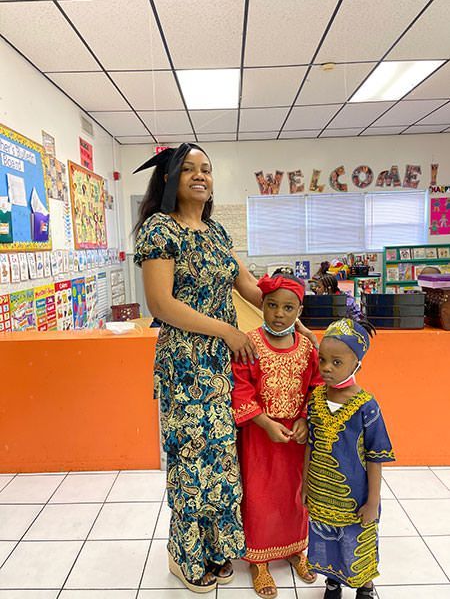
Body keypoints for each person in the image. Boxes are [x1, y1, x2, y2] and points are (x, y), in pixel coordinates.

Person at [133, 144, 317, 593]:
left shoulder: (215, 233)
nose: (200, 176)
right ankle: (184, 556)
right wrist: (229, 332)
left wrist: (302, 325)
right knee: (192, 462)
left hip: (224, 363)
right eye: (189, 169)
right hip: (188, 364)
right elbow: (161, 303)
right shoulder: (160, 229)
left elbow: (253, 288)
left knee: (222, 461)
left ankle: (217, 550)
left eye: (206, 170)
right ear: (170, 179)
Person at [231, 271, 322, 599]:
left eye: (288, 308)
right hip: (260, 437)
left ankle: (298, 549)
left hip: (295, 441)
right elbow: (240, 389)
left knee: (296, 494)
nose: (279, 314)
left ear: (299, 311)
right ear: (262, 305)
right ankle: (260, 559)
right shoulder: (249, 343)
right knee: (259, 494)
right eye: (272, 306)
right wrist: (265, 423)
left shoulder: (309, 349)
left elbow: (317, 387)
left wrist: (306, 421)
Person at [302, 319, 395, 599]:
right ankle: (332, 582)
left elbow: (375, 458)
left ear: (356, 364)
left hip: (356, 499)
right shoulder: (315, 399)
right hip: (321, 491)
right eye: (323, 360)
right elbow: (309, 445)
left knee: (357, 542)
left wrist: (373, 502)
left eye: (337, 362)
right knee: (326, 539)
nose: (327, 368)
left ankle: (365, 587)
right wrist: (306, 484)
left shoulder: (366, 406)